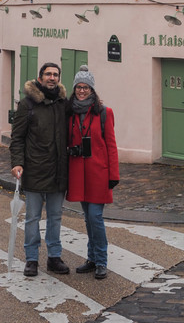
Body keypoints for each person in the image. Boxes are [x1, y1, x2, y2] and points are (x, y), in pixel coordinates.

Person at [10, 61, 69, 278]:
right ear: (40, 77)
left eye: (55, 74)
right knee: (32, 217)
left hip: (58, 171)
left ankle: (54, 257)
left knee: (55, 217)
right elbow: (17, 138)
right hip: (34, 169)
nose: (52, 78)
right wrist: (17, 163)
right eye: (48, 74)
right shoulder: (28, 104)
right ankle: (31, 259)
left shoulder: (63, 103)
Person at [66, 65, 119, 280]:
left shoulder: (104, 113)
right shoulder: (69, 113)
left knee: (96, 217)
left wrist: (113, 175)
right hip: (78, 173)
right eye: (78, 87)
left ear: (92, 89)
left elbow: (111, 145)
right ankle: (91, 258)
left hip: (98, 173)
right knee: (87, 219)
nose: (81, 90)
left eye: (85, 87)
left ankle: (101, 261)